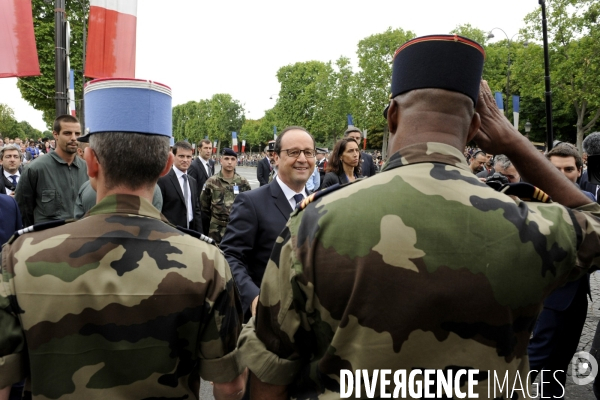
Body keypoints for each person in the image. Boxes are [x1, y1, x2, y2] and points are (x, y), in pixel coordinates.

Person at [238, 34, 600, 399]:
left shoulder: (316, 222)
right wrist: (513, 141)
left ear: (392, 116)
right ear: (476, 128)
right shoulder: (529, 225)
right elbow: (594, 221)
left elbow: (271, 370)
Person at [0, 78, 246, 399]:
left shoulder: (20, 257)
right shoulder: (207, 261)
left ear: (90, 163)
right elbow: (230, 387)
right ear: (166, 165)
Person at [220, 126, 315, 319]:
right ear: (276, 158)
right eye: (294, 152)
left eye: (308, 152)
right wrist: (254, 298)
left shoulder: (320, 202)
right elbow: (231, 257)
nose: (303, 159)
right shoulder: (251, 202)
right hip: (269, 318)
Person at [526, 142, 593, 398]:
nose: (563, 175)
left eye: (568, 169)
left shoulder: (587, 201)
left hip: (576, 297)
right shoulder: (531, 202)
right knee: (534, 356)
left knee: (560, 362)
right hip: (546, 296)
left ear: (579, 170)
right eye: (556, 170)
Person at [14, 115, 88, 226]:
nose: (73, 138)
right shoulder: (35, 169)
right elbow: (23, 212)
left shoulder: (87, 169)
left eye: (77, 134)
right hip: (48, 239)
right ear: (55, 134)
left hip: (82, 238)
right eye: (67, 133)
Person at [200, 148, 251, 244]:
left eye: (232, 159)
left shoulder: (243, 182)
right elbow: (204, 208)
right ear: (221, 160)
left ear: (236, 161)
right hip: (215, 230)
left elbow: (248, 208)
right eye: (226, 159)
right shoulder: (211, 182)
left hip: (236, 229)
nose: (229, 162)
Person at [158, 141, 203, 232]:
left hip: (191, 230)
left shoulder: (192, 181)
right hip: (170, 232)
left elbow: (196, 210)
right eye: (181, 156)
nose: (185, 160)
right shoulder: (163, 179)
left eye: (188, 157)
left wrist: (200, 234)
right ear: (173, 157)